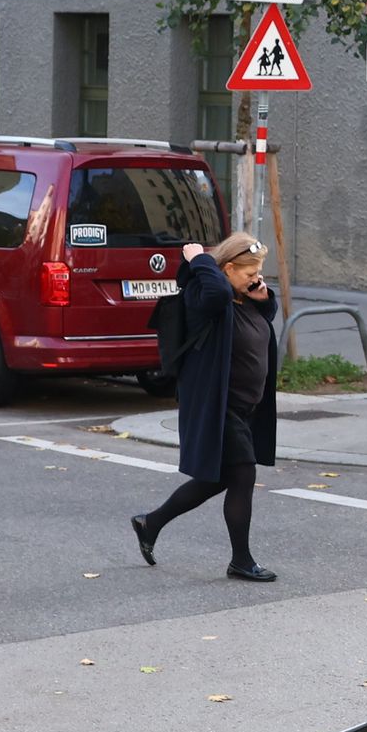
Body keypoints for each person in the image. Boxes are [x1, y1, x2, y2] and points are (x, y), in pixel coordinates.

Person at [133, 232, 281, 580]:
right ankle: (241, 561)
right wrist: (199, 258)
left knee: (215, 480)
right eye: (249, 274)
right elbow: (214, 290)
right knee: (244, 474)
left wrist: (261, 295)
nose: (256, 279)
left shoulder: (241, 297)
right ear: (227, 268)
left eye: (259, 272)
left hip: (245, 408)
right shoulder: (204, 297)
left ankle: (149, 523)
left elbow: (266, 315)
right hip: (220, 406)